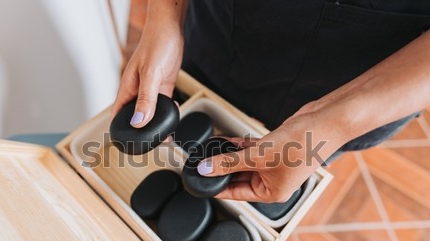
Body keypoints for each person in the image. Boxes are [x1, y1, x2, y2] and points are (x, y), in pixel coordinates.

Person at [111, 0, 430, 203]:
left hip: (366, 75)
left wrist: (334, 122)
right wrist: (164, 18)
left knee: (290, 169)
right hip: (225, 28)